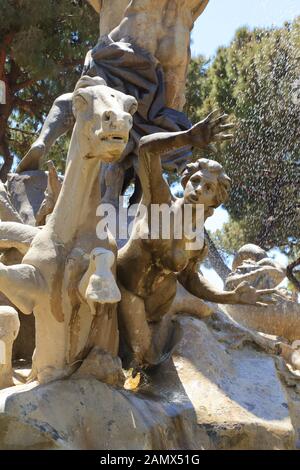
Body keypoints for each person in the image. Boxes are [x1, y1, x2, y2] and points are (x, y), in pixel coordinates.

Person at [117, 111, 276, 369]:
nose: (199, 188)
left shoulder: (198, 243)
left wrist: (231, 297)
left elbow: (191, 280)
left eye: (209, 188)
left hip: (158, 308)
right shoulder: (159, 199)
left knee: (149, 363)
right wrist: (187, 137)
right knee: (140, 359)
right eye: (196, 181)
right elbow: (146, 149)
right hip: (124, 288)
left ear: (214, 200)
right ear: (186, 180)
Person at [16, 0, 209, 202]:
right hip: (177, 42)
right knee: (153, 128)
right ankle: (138, 201)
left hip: (136, 33)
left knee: (81, 102)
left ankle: (42, 142)